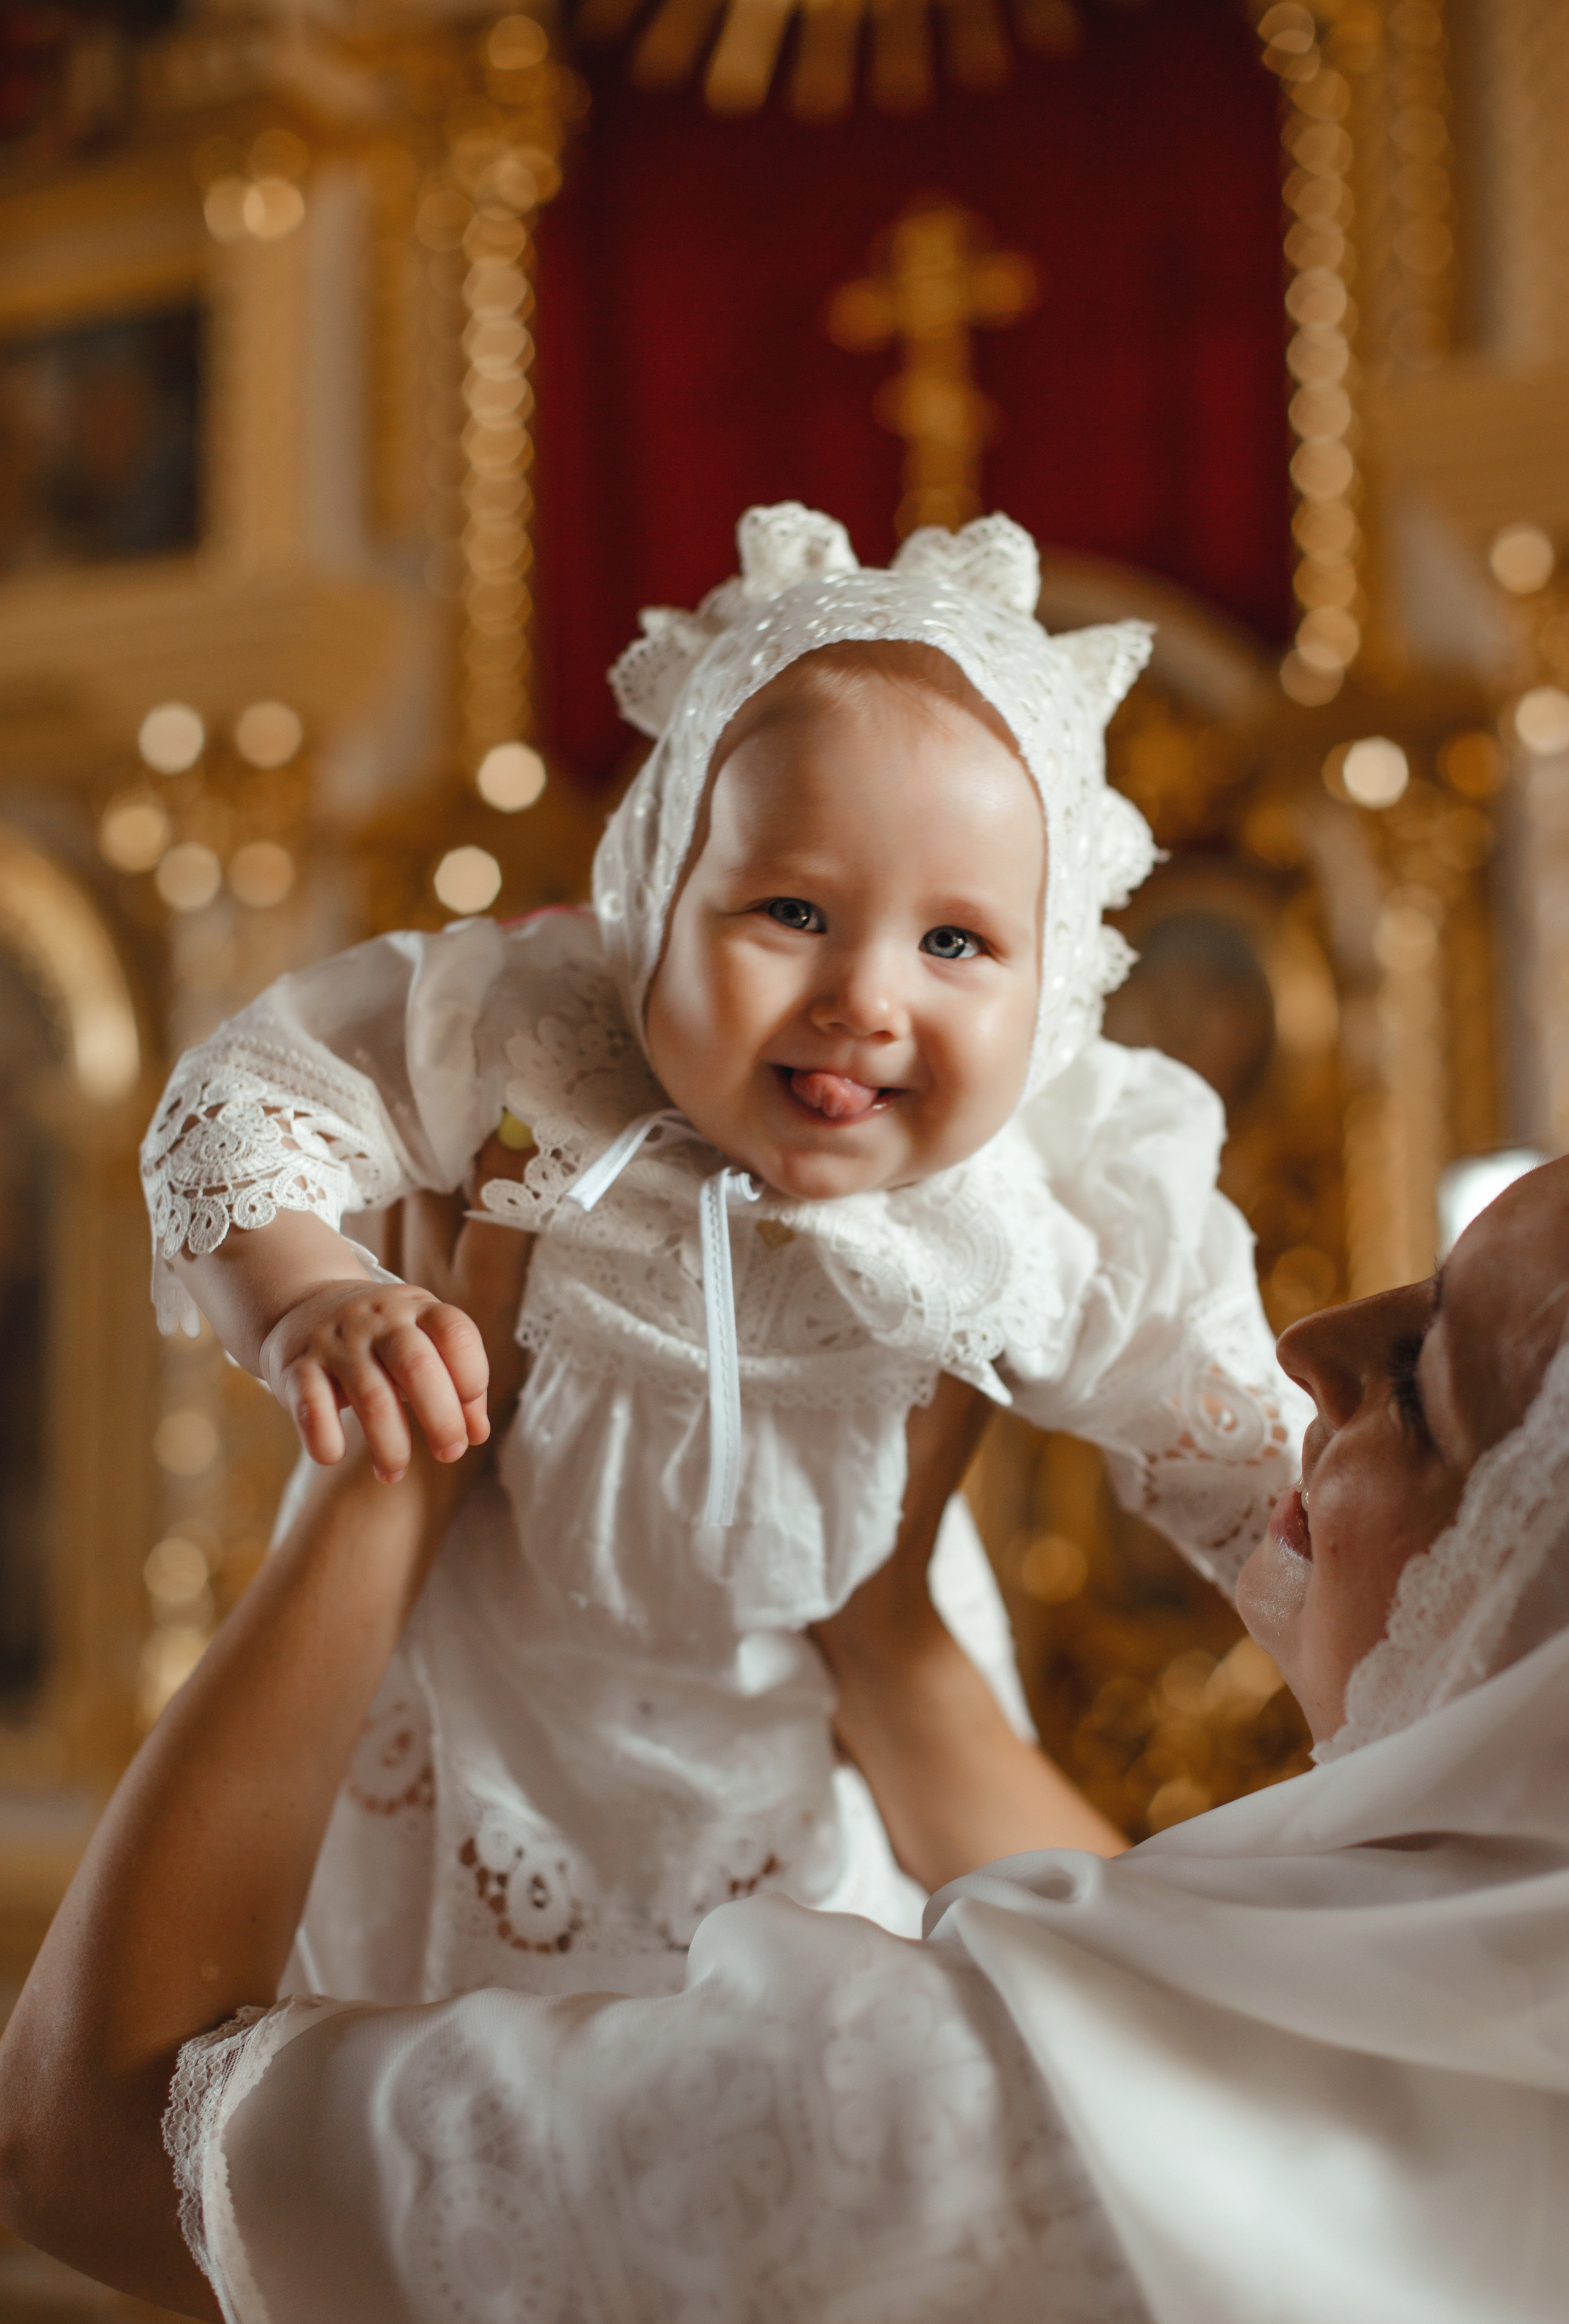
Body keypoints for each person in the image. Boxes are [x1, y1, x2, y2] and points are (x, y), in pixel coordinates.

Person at [3, 1154, 1568, 2324]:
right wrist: (883, 1642)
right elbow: (1169, 2016)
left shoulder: (932, 2123)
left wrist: (385, 1482)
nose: (1310, 1341)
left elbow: (96, 2140)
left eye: (1426, 1386)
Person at [135, 504, 1302, 1998]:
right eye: (792, 911)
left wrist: (1385, 1622)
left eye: (955, 944)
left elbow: (1236, 1442)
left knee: (806, 2043)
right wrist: (314, 1290)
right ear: (656, 899)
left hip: (816, 1753)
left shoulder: (1050, 1182)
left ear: (1058, 975)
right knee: (448, 2056)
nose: (865, 996)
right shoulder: (535, 1034)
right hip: (490, 1714)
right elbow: (252, 1093)